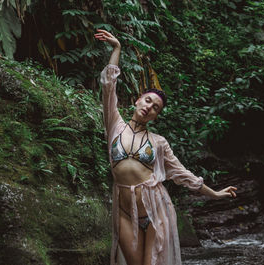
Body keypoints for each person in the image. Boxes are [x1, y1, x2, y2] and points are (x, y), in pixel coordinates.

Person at [95, 29, 237, 265]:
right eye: (148, 100)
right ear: (137, 100)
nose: (150, 107)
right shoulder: (114, 124)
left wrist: (215, 194)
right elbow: (108, 85)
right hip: (124, 212)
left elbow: (182, 175)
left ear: (155, 116)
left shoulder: (159, 142)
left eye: (156, 107)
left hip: (155, 209)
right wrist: (117, 48)